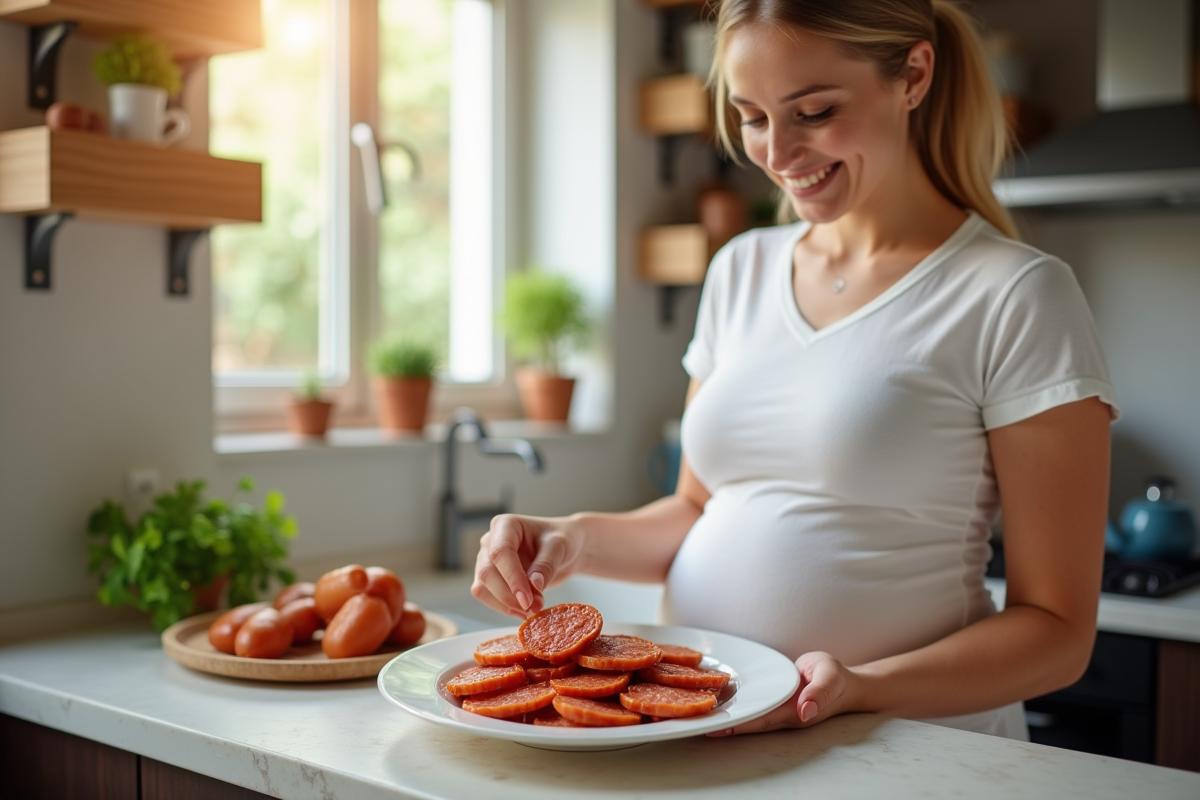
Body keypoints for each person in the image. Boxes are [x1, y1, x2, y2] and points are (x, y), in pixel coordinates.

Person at [471, 0, 1119, 740]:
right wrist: (571, 537)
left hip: (904, 752)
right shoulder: (740, 269)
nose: (777, 153)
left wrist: (863, 689)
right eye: (751, 116)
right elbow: (696, 509)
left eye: (813, 112)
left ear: (913, 75)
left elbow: (1058, 632)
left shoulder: (1016, 293)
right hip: (708, 738)